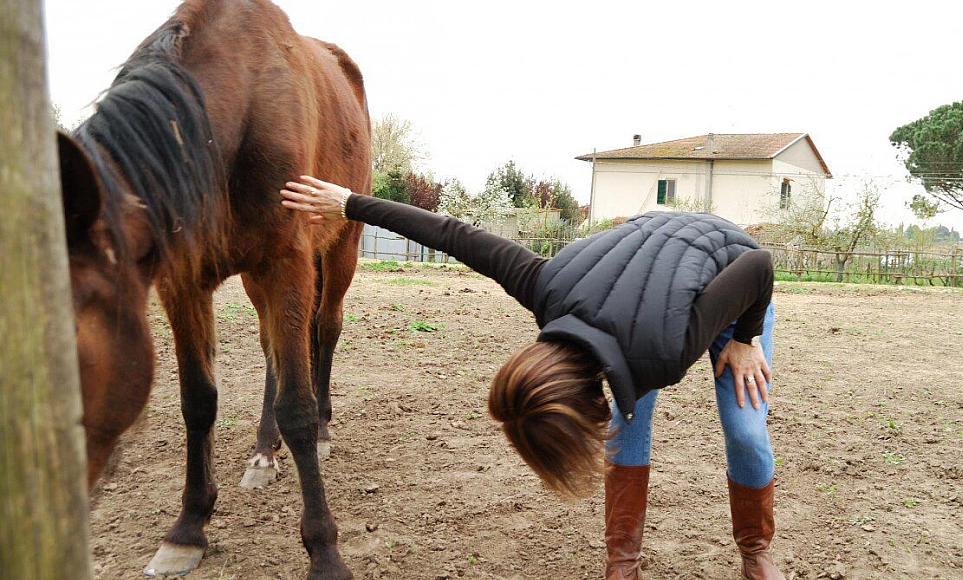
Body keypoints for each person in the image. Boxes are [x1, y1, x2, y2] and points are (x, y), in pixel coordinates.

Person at [281, 176, 785, 580]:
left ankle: (755, 550)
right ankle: (622, 561)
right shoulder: (544, 287)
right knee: (629, 428)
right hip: (659, 282)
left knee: (744, 430)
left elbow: (759, 266)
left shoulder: (664, 353)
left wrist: (745, 338)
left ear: (589, 404)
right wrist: (350, 203)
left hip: (735, 284)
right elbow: (453, 235)